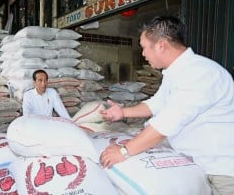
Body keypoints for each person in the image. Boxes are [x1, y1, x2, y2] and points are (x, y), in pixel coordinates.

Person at [100, 16, 234, 195]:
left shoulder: (201, 73)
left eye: (144, 47)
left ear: (161, 45)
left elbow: (168, 122)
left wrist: (124, 151)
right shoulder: (175, 72)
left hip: (220, 170)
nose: (143, 54)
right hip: (196, 165)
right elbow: (157, 103)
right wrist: (122, 112)